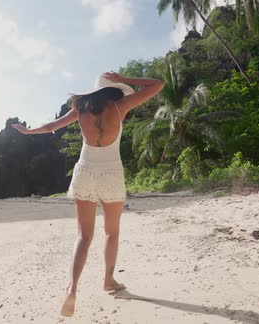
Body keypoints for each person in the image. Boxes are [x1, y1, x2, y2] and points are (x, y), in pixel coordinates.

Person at [11, 71, 164, 317]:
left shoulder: (81, 109)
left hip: (85, 170)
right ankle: (108, 280)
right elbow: (158, 84)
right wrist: (124, 77)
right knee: (111, 232)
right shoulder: (121, 105)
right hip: (111, 172)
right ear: (114, 89)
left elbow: (52, 126)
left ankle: (72, 288)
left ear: (93, 91)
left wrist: (28, 132)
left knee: (84, 235)